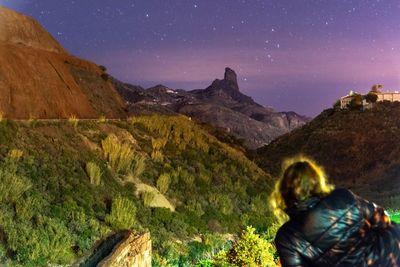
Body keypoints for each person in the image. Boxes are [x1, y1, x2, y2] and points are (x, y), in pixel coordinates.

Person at [270, 156, 400, 267]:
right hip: (387, 256)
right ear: (317, 181)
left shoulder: (286, 237)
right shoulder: (342, 196)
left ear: (284, 192)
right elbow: (382, 218)